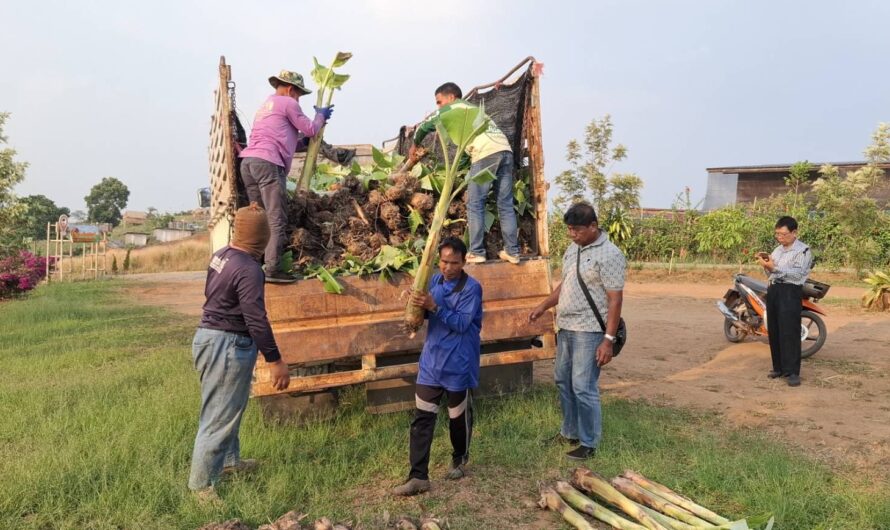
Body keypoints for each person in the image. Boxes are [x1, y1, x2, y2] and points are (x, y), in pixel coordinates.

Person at [188, 203, 291, 502]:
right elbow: (256, 319)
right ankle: (202, 488)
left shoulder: (221, 256)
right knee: (219, 416)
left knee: (228, 406)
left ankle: (230, 463)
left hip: (207, 337)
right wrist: (275, 360)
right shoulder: (249, 269)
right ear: (262, 238)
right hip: (228, 344)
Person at [528, 202, 625, 460]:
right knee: (562, 380)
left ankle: (589, 442)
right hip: (567, 327)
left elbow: (615, 300)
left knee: (583, 386)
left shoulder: (610, 254)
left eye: (577, 230)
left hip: (590, 331)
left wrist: (608, 340)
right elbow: (566, 283)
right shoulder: (573, 249)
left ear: (593, 226)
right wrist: (543, 305)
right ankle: (569, 431)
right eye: (569, 230)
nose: (572, 235)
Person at [392, 237, 484, 496]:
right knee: (422, 419)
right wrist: (415, 305)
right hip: (432, 362)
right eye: (443, 261)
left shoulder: (472, 289)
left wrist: (434, 306)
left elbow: (463, 324)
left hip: (458, 364)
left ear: (464, 262)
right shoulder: (433, 281)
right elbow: (424, 315)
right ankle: (418, 476)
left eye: (454, 263)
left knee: (457, 418)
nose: (447, 267)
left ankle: (460, 458)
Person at [409, 82, 521, 265]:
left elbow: (426, 124)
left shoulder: (453, 107)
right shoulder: (473, 109)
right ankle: (513, 252)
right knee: (505, 204)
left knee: (475, 203)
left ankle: (476, 252)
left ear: (451, 97)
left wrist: (414, 144)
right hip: (504, 150)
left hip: (486, 153)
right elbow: (465, 155)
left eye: (439, 101)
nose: (439, 106)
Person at [239, 70, 334, 283]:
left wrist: (303, 143)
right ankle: (272, 269)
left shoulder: (266, 106)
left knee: (258, 218)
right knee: (275, 219)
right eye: (299, 95)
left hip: (249, 163)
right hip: (268, 165)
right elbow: (310, 129)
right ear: (291, 90)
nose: (299, 99)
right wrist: (321, 115)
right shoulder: (289, 103)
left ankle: (252, 266)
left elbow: (282, 138)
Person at [756, 216, 813, 387]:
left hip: (790, 291)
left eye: (783, 234)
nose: (780, 238)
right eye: (777, 234)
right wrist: (767, 266)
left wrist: (774, 268)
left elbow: (797, 274)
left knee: (790, 331)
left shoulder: (803, 251)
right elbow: (772, 273)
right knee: (775, 329)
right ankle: (778, 368)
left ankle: (793, 372)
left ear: (794, 233)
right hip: (774, 290)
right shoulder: (777, 250)